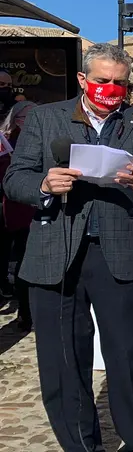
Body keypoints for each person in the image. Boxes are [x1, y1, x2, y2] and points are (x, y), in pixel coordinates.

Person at [2, 43, 133, 452]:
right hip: (54, 252)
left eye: (119, 82)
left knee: (125, 355)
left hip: (116, 251)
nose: (111, 90)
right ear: (84, 80)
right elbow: (14, 178)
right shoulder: (45, 118)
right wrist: (43, 183)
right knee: (63, 361)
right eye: (103, 81)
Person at [0, 100, 38, 329]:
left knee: (28, 263)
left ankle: (28, 313)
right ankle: (25, 313)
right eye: (29, 117)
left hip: (32, 211)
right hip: (13, 211)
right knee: (19, 262)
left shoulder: (39, 137)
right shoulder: (6, 141)